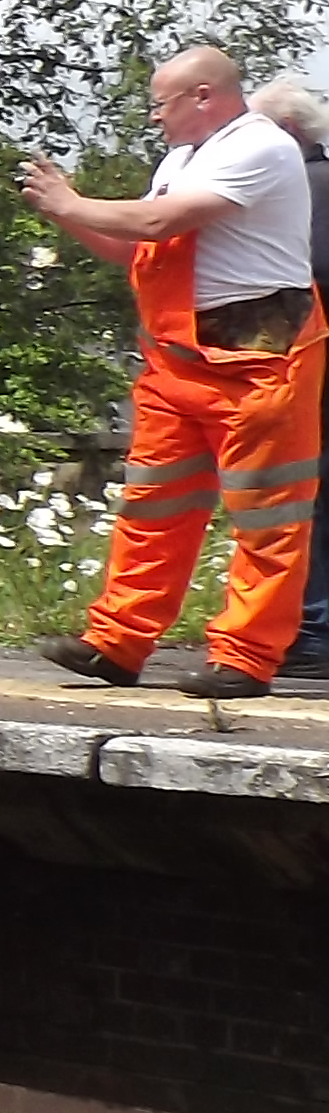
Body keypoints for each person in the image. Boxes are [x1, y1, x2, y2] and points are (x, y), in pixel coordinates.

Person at [20, 46, 324, 698]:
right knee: (152, 505)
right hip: (178, 359)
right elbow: (136, 245)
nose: (154, 117)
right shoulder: (183, 157)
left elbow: (161, 219)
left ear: (205, 96)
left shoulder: (258, 145)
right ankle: (117, 644)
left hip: (257, 355)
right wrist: (63, 213)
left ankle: (245, 657)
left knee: (267, 517)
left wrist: (72, 201)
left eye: (162, 104)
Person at [253, 74, 329, 684]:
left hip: (310, 364)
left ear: (285, 133)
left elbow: (305, 281)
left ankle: (314, 630)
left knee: (307, 495)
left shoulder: (303, 192)